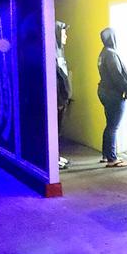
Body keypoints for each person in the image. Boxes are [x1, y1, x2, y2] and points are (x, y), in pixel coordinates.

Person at [97, 27, 127, 168]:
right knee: (113, 126)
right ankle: (112, 159)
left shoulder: (103, 53)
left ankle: (106, 155)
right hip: (113, 94)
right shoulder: (111, 54)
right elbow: (117, 75)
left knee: (110, 124)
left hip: (104, 91)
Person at [56, 21, 72, 170]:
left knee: (59, 130)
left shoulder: (60, 50)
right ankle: (53, 159)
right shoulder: (53, 52)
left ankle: (57, 155)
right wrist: (60, 99)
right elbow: (56, 79)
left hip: (63, 98)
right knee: (54, 130)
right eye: (63, 33)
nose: (66, 36)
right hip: (57, 100)